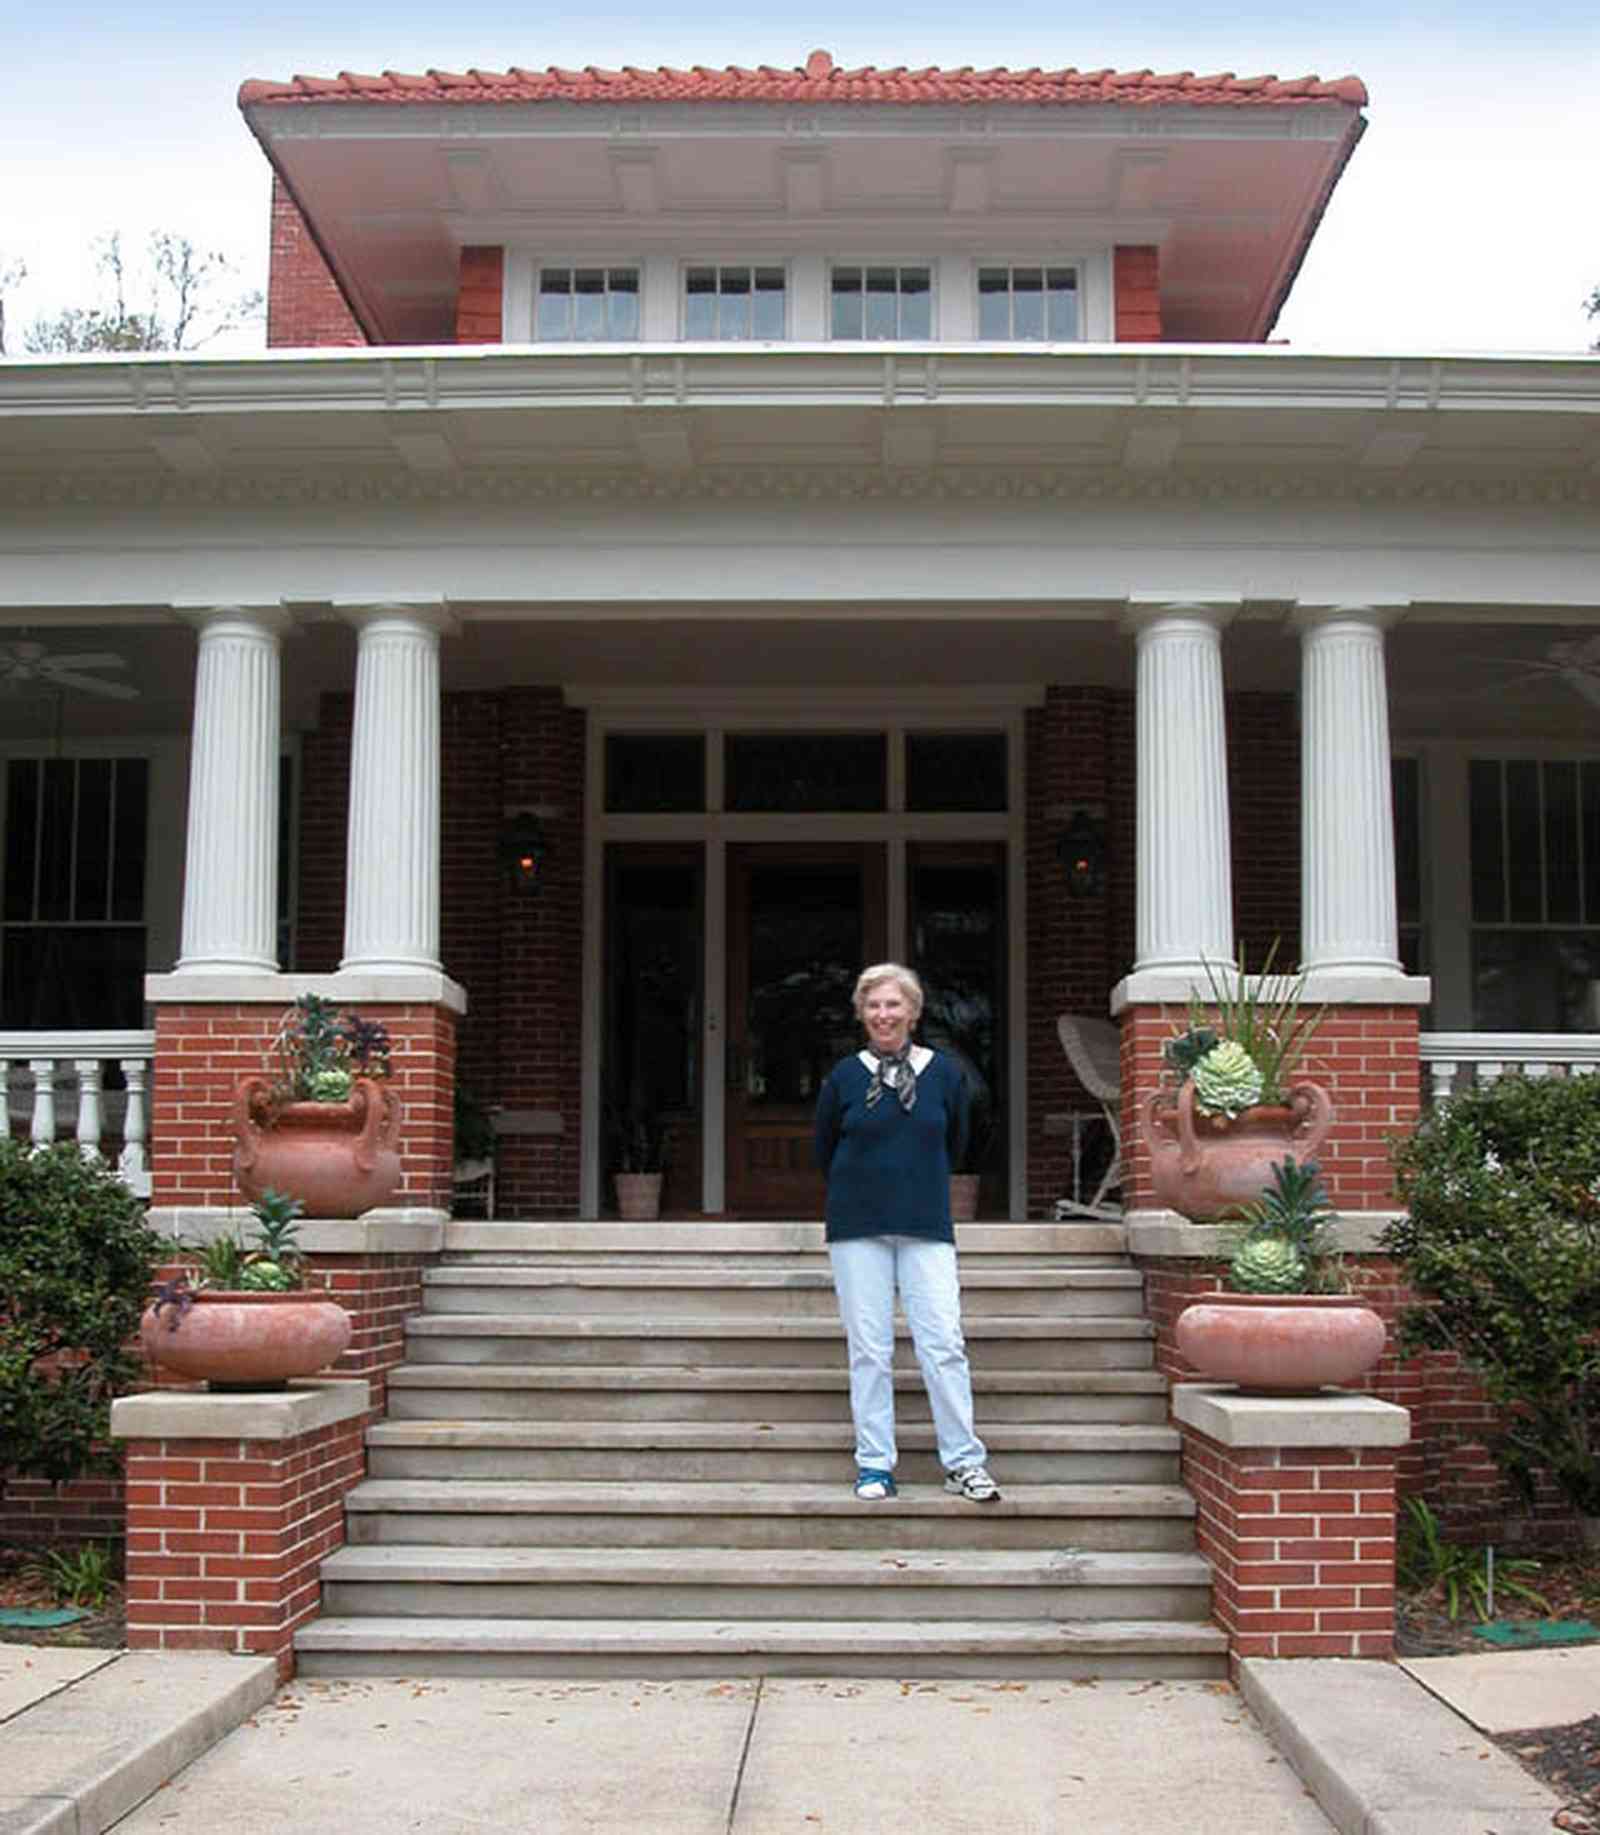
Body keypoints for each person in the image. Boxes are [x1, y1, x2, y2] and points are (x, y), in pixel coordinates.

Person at [813, 961, 1000, 1505]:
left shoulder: (944, 1074)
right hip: (857, 1226)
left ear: (914, 1013)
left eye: (894, 1004)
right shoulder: (845, 1076)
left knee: (943, 1343)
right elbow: (825, 1148)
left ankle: (963, 1462)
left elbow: (960, 1139)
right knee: (869, 1349)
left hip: (925, 1225)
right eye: (873, 1005)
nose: (883, 1014)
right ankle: (875, 1465)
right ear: (861, 1014)